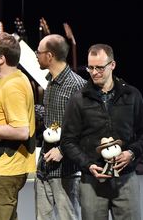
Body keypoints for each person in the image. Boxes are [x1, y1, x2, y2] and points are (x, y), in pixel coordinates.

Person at [60, 43, 143, 220]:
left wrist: (132, 152)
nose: (94, 72)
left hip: (126, 179)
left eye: (99, 67)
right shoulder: (78, 100)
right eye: (90, 67)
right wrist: (87, 164)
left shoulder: (132, 95)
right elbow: (68, 141)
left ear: (112, 65)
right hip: (92, 180)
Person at [0, 32, 36, 220]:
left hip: (4, 171)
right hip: (0, 169)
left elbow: (22, 131)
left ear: (1, 59)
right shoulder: (10, 81)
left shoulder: (13, 86)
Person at [34, 34, 86, 220]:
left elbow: (86, 126)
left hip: (66, 171)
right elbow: (52, 116)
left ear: (49, 55)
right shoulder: (50, 81)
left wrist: (63, 150)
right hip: (44, 168)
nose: (35, 55)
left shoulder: (77, 85)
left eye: (38, 52)